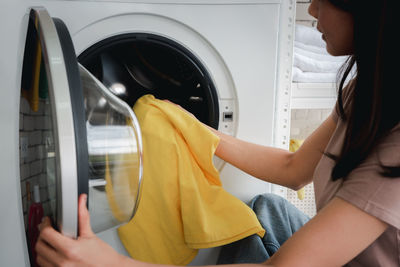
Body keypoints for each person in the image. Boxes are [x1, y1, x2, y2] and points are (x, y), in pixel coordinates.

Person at [36, 0, 400, 266]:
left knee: (253, 244)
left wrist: (109, 264)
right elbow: (291, 169)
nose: (313, 8)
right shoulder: (366, 91)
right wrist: (193, 128)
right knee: (266, 209)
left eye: (325, 0)